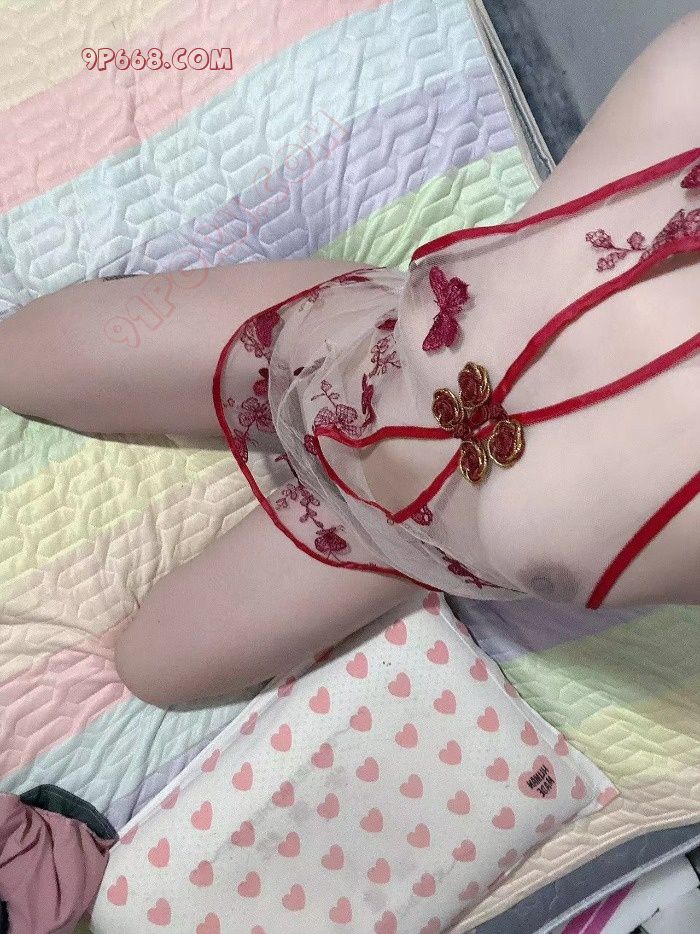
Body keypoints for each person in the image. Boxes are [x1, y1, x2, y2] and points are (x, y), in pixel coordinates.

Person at [1, 14, 698, 707]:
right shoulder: (684, 86)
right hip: (330, 344)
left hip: (392, 540)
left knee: (152, 671)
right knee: (14, 361)